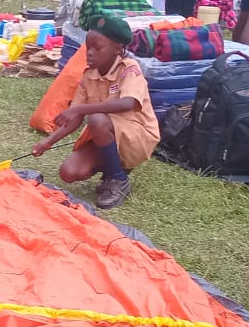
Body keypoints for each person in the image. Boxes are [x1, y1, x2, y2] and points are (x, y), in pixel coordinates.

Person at [31, 15, 159, 210]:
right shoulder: (89, 75)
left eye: (97, 48)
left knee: (97, 120)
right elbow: (74, 118)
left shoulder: (129, 69)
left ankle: (118, 180)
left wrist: (81, 108)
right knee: (69, 172)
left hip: (137, 137)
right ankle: (114, 170)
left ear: (117, 49)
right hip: (108, 134)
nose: (89, 53)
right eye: (88, 47)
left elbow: (127, 103)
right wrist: (47, 142)